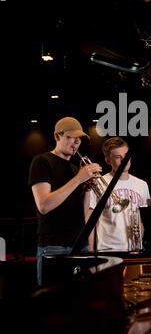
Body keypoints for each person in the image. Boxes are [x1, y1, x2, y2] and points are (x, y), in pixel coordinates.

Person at [28, 116, 102, 285]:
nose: (76, 143)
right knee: (54, 306)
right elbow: (44, 205)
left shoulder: (76, 169)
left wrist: (88, 188)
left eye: (79, 139)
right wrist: (78, 179)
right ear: (57, 136)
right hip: (54, 245)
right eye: (70, 137)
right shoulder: (42, 161)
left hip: (79, 245)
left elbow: (82, 216)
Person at [89, 137, 150, 251]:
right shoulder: (97, 183)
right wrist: (91, 253)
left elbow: (144, 220)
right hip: (108, 250)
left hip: (136, 250)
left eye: (126, 155)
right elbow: (90, 222)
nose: (124, 160)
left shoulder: (142, 185)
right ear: (107, 160)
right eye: (118, 157)